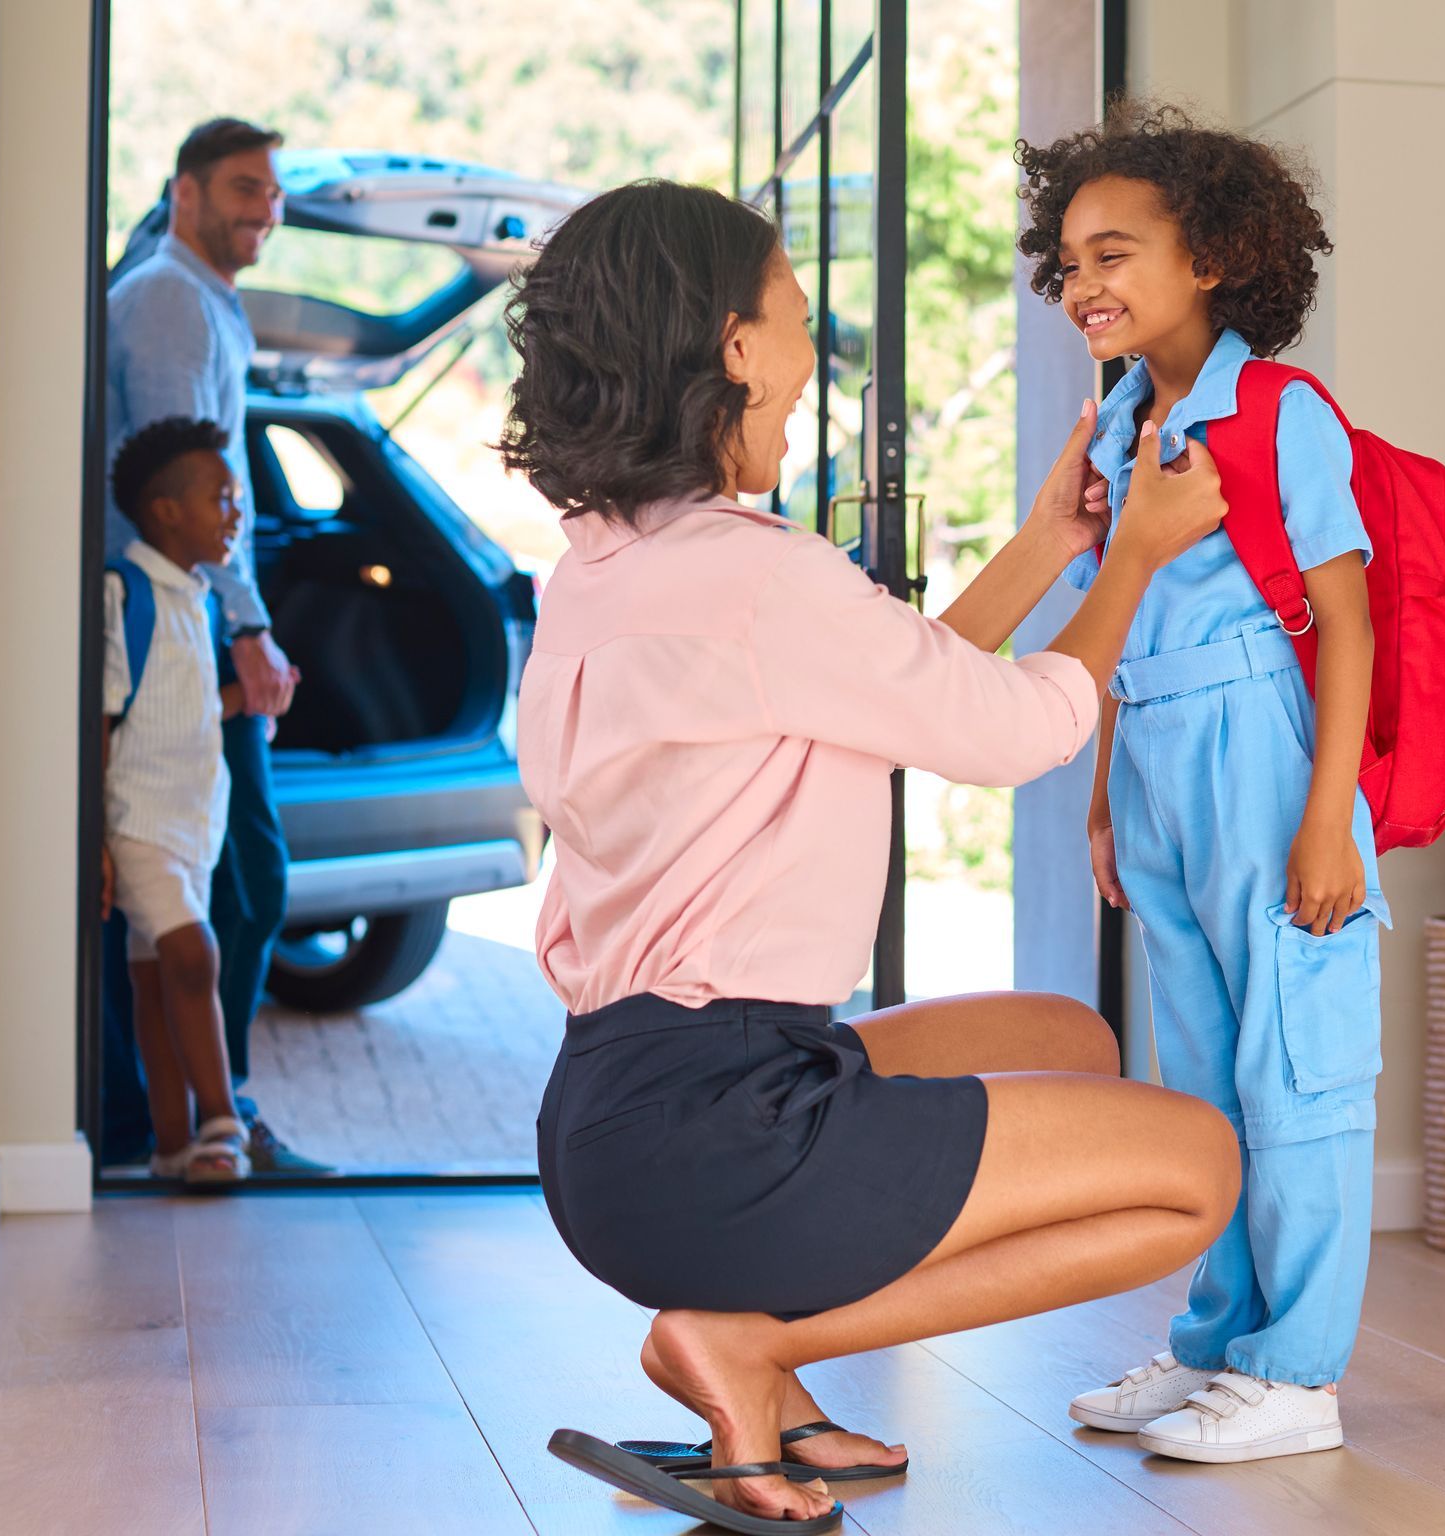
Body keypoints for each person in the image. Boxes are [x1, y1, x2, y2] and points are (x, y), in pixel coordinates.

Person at [502, 180, 1239, 1531]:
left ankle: (747, 1350)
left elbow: (890, 686)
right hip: (721, 1139)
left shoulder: (613, 563)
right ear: (734, 348)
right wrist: (1130, 559)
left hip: (622, 1111)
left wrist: (1051, 543)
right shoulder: (756, 575)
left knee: (1065, 1040)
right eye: (796, 320)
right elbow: (1014, 730)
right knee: (1198, 1167)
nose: (806, 357)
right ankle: (755, 1348)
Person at [1017, 100, 1383, 1463]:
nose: (1083, 285)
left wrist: (1326, 824)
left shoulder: (1283, 415)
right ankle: (1216, 1348)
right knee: (1210, 1088)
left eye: (1115, 253)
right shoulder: (1120, 428)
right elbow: (1127, 618)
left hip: (1264, 760)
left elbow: (1346, 621)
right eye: (1067, 262)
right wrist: (1108, 794)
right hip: (1159, 758)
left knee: (1299, 1070)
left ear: (1215, 255)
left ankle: (1300, 1373)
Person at [104, 117, 324, 1173]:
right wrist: (248, 628)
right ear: (184, 193)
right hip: (169, 627)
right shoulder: (168, 303)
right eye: (243, 187)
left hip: (192, 621)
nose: (263, 209)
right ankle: (212, 1113)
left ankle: (194, 1118)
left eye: (273, 193)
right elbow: (190, 495)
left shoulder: (198, 302)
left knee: (221, 892)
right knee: (245, 887)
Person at [101, 418, 254, 1182]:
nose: (236, 513)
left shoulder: (194, 596)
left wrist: (244, 697)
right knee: (194, 956)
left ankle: (170, 1146)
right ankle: (224, 1123)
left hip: (194, 824)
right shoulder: (124, 594)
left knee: (157, 981)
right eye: (220, 498)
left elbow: (181, 705)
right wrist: (93, 837)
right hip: (138, 822)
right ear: (165, 511)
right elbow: (102, 716)